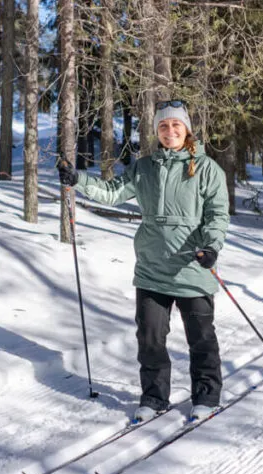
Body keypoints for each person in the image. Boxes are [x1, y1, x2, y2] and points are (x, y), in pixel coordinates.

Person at [58, 100, 230, 422]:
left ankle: (206, 397)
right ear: (156, 131)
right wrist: (78, 179)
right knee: (149, 338)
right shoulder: (144, 167)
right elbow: (112, 191)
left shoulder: (207, 169)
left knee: (201, 338)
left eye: (175, 125)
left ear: (186, 129)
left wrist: (211, 247)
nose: (169, 131)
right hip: (152, 268)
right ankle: (153, 398)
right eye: (163, 126)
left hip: (191, 266)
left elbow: (217, 215)